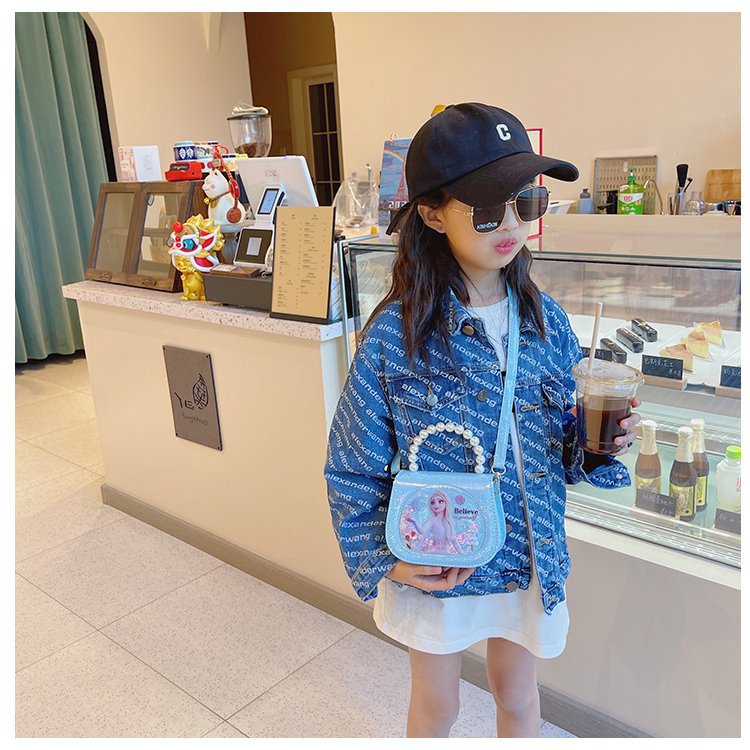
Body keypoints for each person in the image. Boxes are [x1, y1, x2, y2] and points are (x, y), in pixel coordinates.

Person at [323, 103, 640, 738]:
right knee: (436, 706)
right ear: (433, 213)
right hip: (441, 559)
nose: (512, 225)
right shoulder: (397, 335)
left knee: (519, 698)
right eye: (488, 209)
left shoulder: (546, 321)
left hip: (526, 552)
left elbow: (558, 447)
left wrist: (596, 447)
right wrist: (383, 558)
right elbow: (352, 463)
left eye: (526, 203)